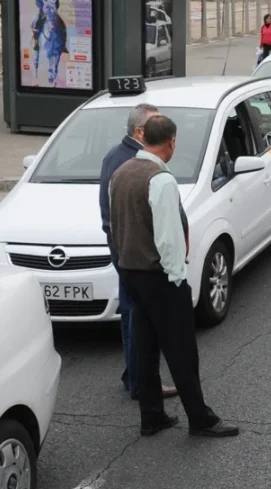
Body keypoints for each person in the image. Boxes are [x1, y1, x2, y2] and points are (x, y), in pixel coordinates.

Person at [109, 115, 239, 438]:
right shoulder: (161, 180)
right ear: (171, 142)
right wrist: (177, 278)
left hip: (130, 271)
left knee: (146, 344)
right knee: (181, 349)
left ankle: (151, 415)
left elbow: (116, 224)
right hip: (160, 276)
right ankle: (200, 418)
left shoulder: (120, 173)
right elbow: (168, 238)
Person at [99, 104, 178, 402]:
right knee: (141, 319)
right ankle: (143, 382)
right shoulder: (137, 161)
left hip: (121, 249)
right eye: (154, 123)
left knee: (130, 315)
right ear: (140, 132)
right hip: (136, 254)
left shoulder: (112, 154)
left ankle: (132, 375)